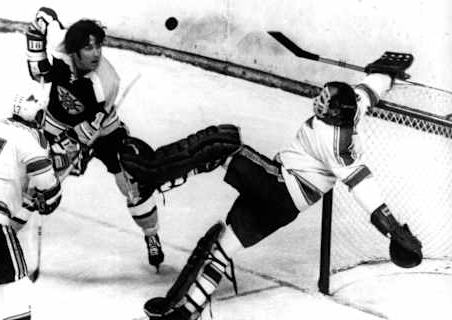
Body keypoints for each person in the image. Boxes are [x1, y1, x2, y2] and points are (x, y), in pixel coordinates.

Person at [130, 65, 423, 319]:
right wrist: (387, 72)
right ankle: (184, 311)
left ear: (335, 112)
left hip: (278, 187)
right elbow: (369, 90)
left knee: (223, 142)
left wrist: (392, 228)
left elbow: (363, 187)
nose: (317, 102)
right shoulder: (352, 108)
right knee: (219, 247)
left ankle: (152, 173)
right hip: (283, 209)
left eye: (323, 101)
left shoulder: (335, 146)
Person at [25, 7, 164, 270]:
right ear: (74, 51)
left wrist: (65, 151)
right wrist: (35, 34)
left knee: (131, 181)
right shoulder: (60, 52)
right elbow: (38, 72)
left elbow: (87, 133)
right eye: (89, 48)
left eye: (98, 46)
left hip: (103, 132)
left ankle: (151, 234)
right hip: (57, 122)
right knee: (30, 175)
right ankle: (1, 233)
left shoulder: (106, 82)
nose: (97, 53)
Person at [0, 83, 62, 320]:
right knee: (16, 291)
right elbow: (46, 187)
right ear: (39, 114)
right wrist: (51, 193)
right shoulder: (32, 137)